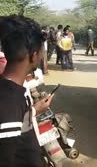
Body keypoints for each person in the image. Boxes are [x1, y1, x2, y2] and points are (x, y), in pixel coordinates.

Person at [0, 16, 54, 166]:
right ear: (34, 55)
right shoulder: (10, 101)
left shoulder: (13, 92)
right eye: (42, 52)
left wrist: (34, 110)